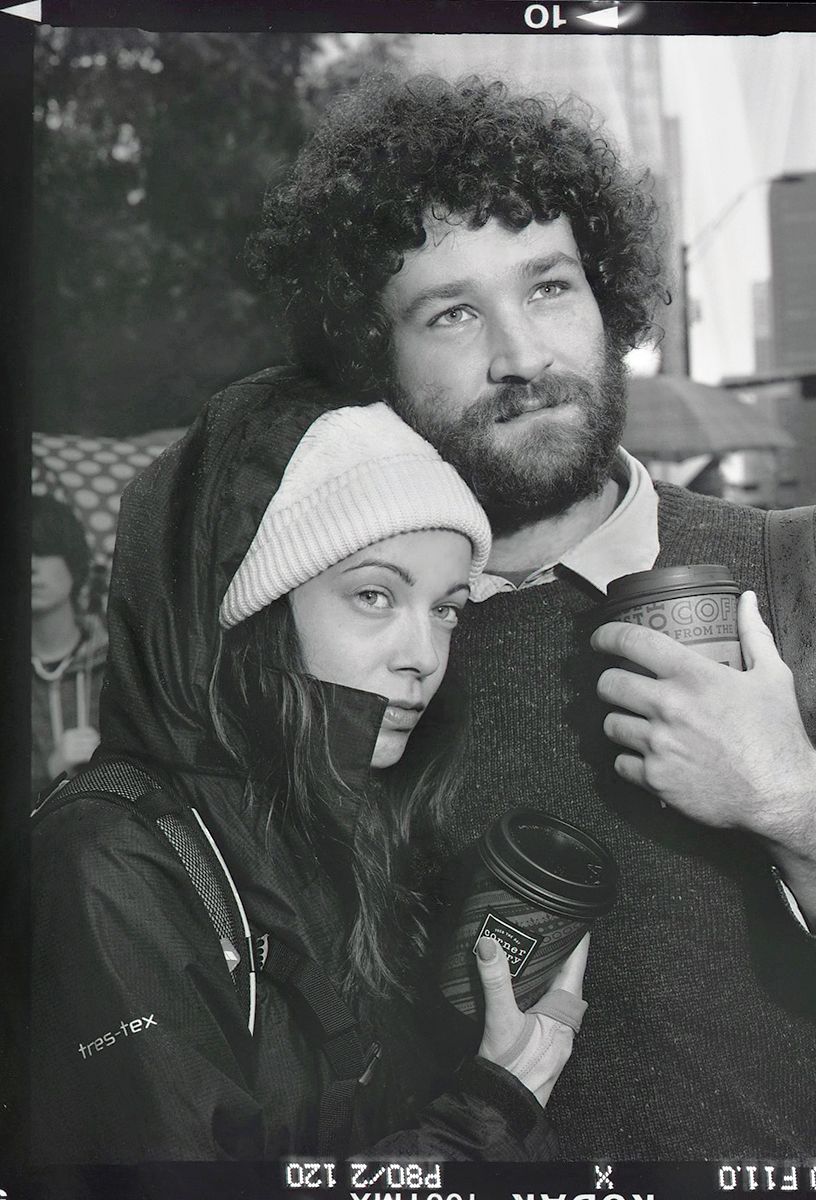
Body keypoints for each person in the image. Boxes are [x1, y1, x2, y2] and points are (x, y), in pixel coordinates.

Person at [235, 73, 816, 1161]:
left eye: (548, 288)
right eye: (449, 312)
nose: (521, 357)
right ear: (368, 359)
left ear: (608, 300)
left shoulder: (807, 579)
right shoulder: (349, 648)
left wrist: (802, 809)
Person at [31, 396, 591, 1164]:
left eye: (447, 610)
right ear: (250, 612)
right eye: (373, 595)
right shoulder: (108, 865)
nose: (422, 654)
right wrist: (489, 1110)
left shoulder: (353, 819)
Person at [31, 493, 106, 796]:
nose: (30, 566)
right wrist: (46, 773)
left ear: (73, 561)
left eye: (44, 549)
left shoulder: (117, 663)